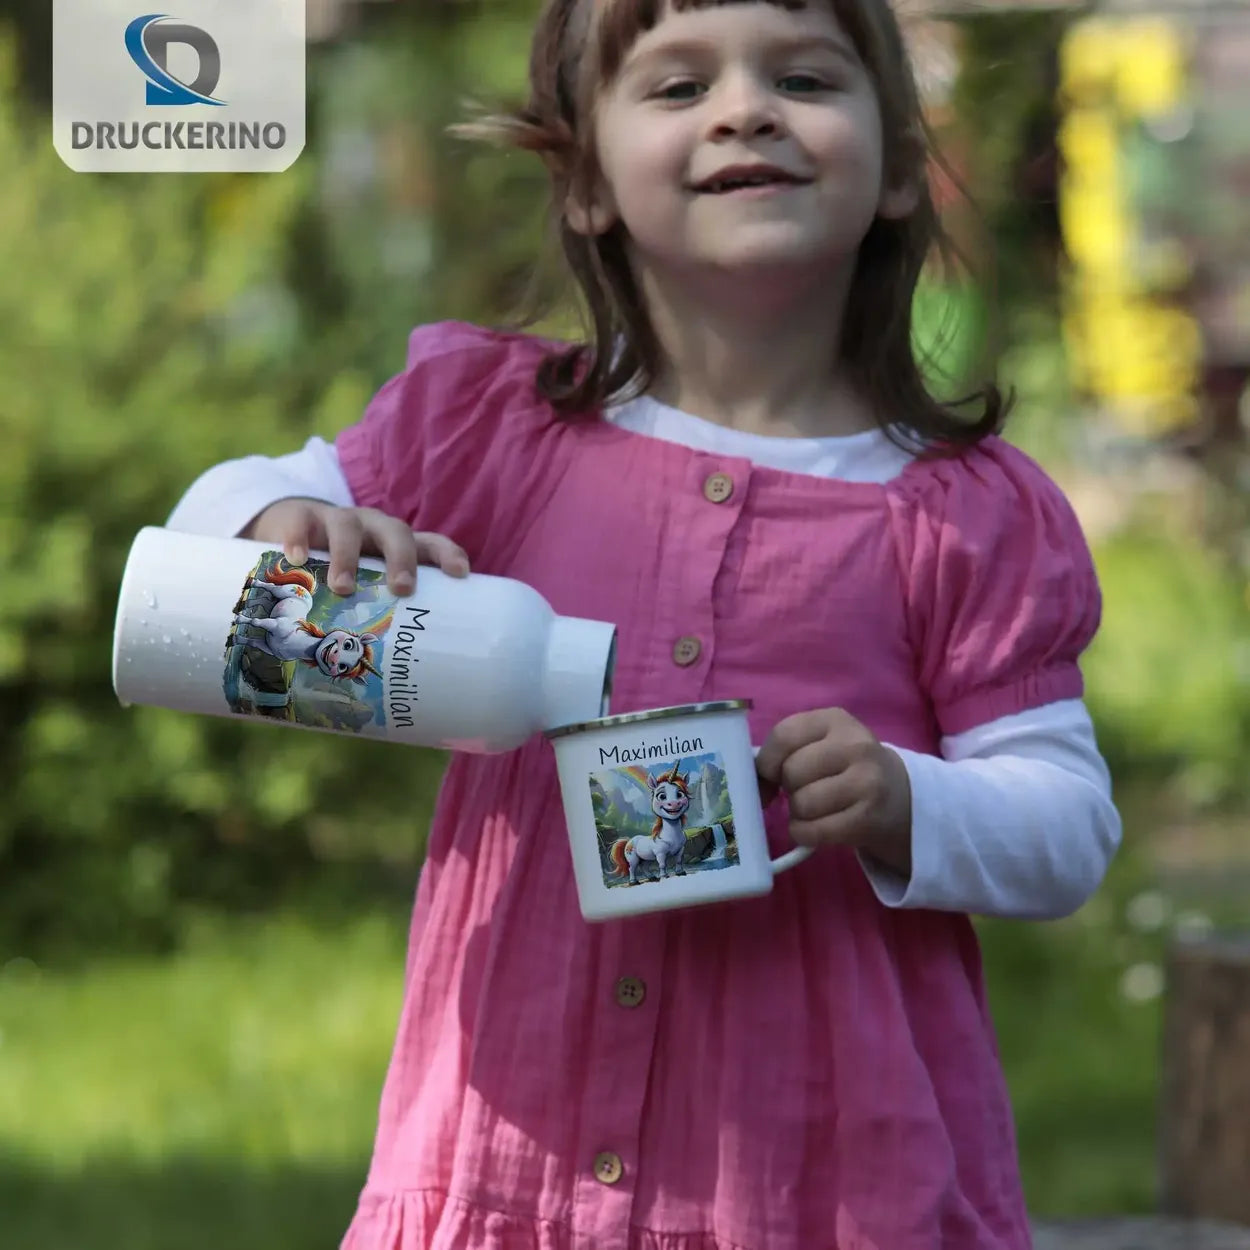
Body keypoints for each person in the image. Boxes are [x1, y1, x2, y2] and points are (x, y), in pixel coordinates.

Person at [169, 0, 1122, 1245]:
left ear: (895, 164)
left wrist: (903, 797)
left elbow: (1066, 820)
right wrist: (280, 521)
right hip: (511, 1158)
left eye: (800, 77)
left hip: (816, 1184)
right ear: (585, 186)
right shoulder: (489, 432)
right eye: (676, 87)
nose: (742, 108)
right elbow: (198, 543)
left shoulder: (958, 512)